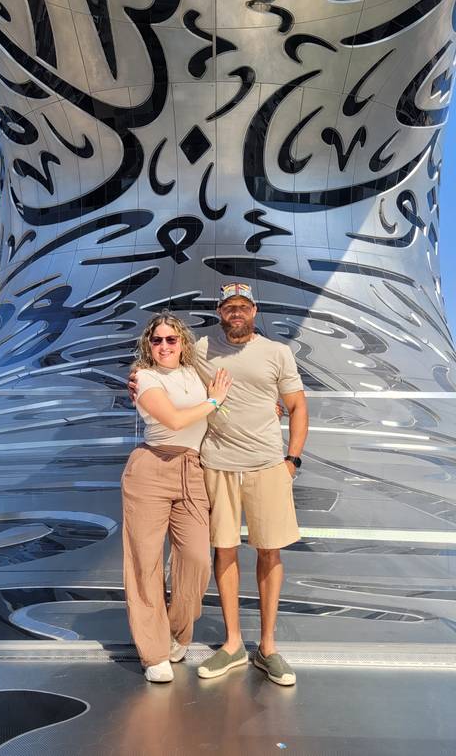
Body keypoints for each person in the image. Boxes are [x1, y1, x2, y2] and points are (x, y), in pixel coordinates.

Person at [129, 282, 308, 687]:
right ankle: (231, 644)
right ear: (220, 312)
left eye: (243, 306)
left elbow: (296, 405)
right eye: (230, 308)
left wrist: (292, 460)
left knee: (267, 552)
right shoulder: (201, 351)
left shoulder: (277, 353)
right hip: (216, 465)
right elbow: (168, 387)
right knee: (221, 552)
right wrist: (137, 379)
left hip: (266, 465)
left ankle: (268, 646)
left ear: (254, 310)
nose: (237, 313)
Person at [122, 313, 232, 683]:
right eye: (157, 341)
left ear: (183, 342)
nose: (165, 346)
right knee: (145, 563)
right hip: (151, 469)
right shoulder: (144, 377)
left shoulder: (193, 373)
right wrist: (214, 402)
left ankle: (175, 631)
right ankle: (153, 652)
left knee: (197, 558)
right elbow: (172, 420)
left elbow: (234, 387)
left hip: (192, 470)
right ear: (148, 345)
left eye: (171, 340)